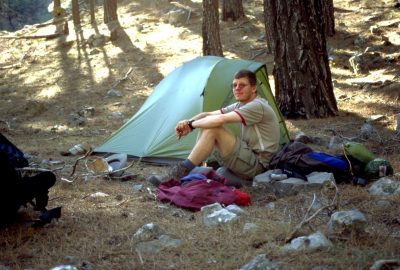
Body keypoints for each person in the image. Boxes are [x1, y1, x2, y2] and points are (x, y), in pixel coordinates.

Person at [151, 69, 280, 186]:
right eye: (234, 85)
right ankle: (191, 170)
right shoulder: (241, 105)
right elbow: (207, 115)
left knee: (213, 128)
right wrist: (188, 122)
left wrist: (191, 125)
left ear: (253, 88)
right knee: (207, 123)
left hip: (259, 166)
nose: (237, 88)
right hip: (248, 157)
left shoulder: (257, 106)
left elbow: (219, 120)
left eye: (242, 85)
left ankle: (178, 174)